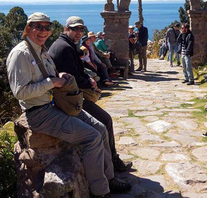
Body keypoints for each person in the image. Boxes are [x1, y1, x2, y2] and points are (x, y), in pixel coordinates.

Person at [7, 12, 130, 198]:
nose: (43, 31)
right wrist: (52, 82)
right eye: (38, 26)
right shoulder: (21, 54)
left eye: (47, 27)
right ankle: (100, 191)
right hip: (40, 113)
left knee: (101, 128)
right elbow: (20, 92)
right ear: (28, 28)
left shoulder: (41, 49)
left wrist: (60, 76)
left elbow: (49, 75)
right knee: (92, 137)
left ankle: (109, 178)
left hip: (57, 105)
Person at [48, 16, 132, 174]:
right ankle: (113, 164)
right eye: (75, 29)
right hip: (70, 99)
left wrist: (88, 79)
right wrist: (91, 84)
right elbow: (72, 78)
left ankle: (113, 161)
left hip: (70, 96)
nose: (79, 32)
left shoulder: (66, 45)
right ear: (66, 29)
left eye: (81, 29)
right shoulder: (65, 48)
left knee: (104, 121)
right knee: (105, 121)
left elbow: (76, 72)